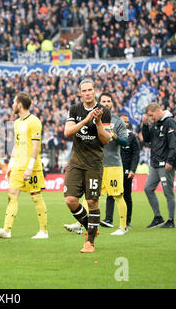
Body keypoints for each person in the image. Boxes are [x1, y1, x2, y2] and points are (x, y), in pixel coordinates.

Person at [64, 93, 129, 235]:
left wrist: (112, 134)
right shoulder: (90, 117)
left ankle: (123, 227)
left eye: (108, 101)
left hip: (112, 164)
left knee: (117, 195)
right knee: (91, 197)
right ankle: (80, 224)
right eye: (103, 101)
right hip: (94, 164)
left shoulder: (118, 122)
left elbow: (125, 141)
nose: (106, 103)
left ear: (112, 104)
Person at [0, 92, 48, 239]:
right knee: (12, 196)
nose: (12, 105)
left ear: (19, 105)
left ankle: (43, 231)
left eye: (14, 102)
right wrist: (10, 166)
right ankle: (6, 230)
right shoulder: (16, 122)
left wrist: (30, 167)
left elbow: (36, 146)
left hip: (31, 167)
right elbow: (16, 145)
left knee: (36, 197)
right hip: (17, 166)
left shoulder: (34, 122)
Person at [63, 79, 111, 253]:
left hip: (94, 163)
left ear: (94, 91)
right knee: (70, 200)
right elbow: (67, 132)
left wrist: (97, 122)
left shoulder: (104, 111)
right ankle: (92, 227)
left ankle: (89, 242)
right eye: (84, 90)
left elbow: (105, 140)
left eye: (90, 90)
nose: (88, 93)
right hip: (76, 161)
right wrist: (86, 120)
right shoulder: (75, 109)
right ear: (80, 93)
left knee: (92, 201)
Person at [142, 103, 176, 228]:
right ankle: (158, 217)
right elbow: (147, 140)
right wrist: (145, 125)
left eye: (151, 115)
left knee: (168, 192)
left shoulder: (170, 122)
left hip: (166, 164)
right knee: (148, 188)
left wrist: (170, 160)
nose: (151, 118)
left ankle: (170, 220)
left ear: (158, 111)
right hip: (155, 163)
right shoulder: (155, 124)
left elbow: (174, 143)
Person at [103, 113, 140, 228]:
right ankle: (108, 219)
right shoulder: (110, 134)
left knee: (126, 195)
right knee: (110, 194)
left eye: (127, 122)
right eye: (123, 121)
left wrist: (133, 169)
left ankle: (127, 221)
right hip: (113, 167)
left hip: (126, 170)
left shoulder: (131, 136)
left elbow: (136, 154)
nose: (125, 123)